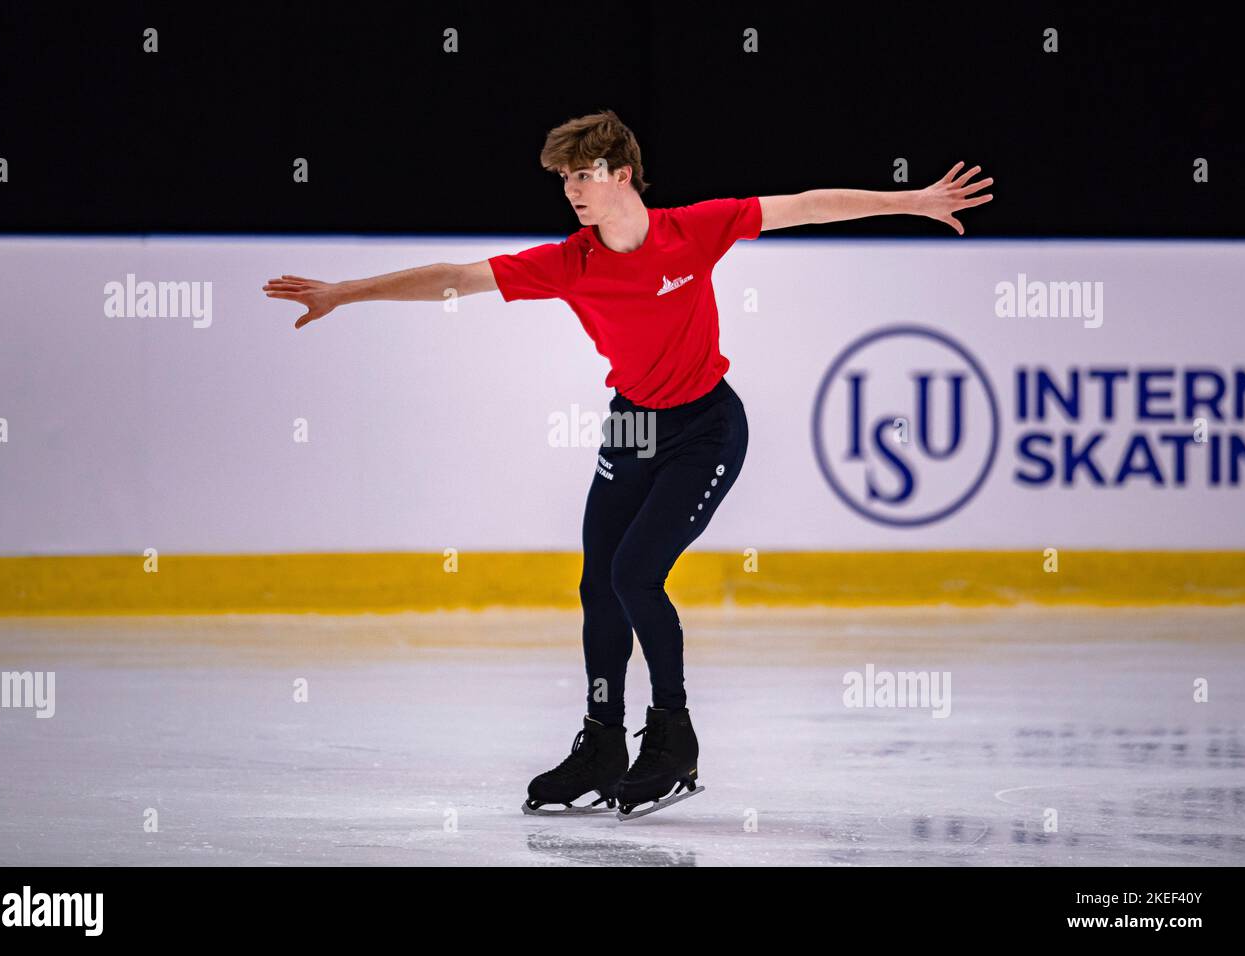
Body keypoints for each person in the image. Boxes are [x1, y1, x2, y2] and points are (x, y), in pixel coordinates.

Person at [263, 109, 993, 819]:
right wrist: (345, 293)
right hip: (633, 428)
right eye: (563, 179)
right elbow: (456, 276)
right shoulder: (567, 263)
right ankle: (604, 742)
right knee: (598, 584)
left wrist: (913, 201)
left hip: (706, 429)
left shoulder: (693, 230)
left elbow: (804, 206)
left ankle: (673, 738)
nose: (572, 190)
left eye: (583, 175)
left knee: (634, 575)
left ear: (625, 176)